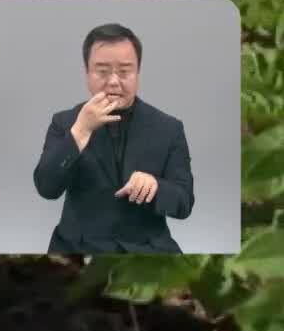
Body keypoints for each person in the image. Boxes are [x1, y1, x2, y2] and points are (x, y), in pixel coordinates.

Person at [32, 23, 194, 254]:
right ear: (87, 73)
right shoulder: (65, 122)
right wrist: (80, 131)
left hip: (148, 250)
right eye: (102, 71)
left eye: (125, 71)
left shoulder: (169, 128)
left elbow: (184, 202)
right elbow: (46, 188)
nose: (114, 81)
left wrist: (156, 187)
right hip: (78, 248)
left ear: (138, 72)